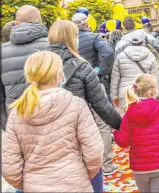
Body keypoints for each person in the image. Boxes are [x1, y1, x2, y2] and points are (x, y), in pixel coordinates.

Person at [2, 51, 103, 192]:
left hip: (35, 185)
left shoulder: (17, 114)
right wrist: (81, 175)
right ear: (59, 74)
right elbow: (94, 152)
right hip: (75, 183)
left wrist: (30, 185)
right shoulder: (76, 105)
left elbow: (10, 167)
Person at [47, 20, 121, 180]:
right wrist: (121, 124)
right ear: (71, 38)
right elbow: (101, 105)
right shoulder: (81, 66)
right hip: (78, 132)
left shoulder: (38, 62)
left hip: (48, 139)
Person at [113, 74, 159, 193]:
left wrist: (115, 132)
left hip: (139, 167)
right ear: (153, 91)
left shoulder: (129, 113)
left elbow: (123, 141)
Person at [1, 5, 49, 131]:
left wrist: (7, 124)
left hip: (16, 119)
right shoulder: (52, 46)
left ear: (16, 23)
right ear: (40, 20)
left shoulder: (2, 52)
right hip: (49, 118)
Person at [111, 29, 159, 113]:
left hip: (126, 94)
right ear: (144, 41)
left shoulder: (120, 56)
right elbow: (155, 78)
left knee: (129, 120)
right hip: (146, 92)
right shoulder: (150, 56)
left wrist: (115, 96)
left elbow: (115, 79)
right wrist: (158, 94)